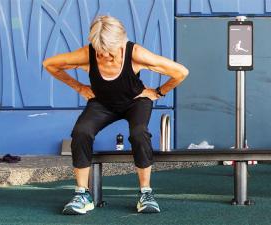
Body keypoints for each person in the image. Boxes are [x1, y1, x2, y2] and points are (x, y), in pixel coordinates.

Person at [43, 15, 189, 214]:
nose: (106, 57)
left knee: (139, 133)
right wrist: (79, 87)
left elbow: (181, 72)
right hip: (103, 103)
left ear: (121, 42)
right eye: (101, 53)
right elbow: (49, 64)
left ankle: (146, 193)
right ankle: (82, 194)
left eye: (110, 52)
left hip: (135, 102)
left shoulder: (136, 53)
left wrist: (159, 92)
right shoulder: (88, 54)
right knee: (81, 132)